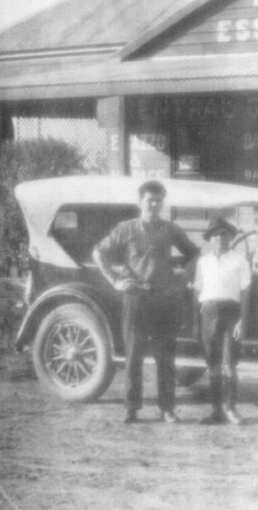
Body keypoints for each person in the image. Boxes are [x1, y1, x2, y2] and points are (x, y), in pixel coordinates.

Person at [93, 179, 199, 424]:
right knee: (133, 354)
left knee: (165, 356)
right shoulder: (126, 228)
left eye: (158, 200)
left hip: (164, 300)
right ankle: (131, 408)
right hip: (136, 298)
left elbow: (194, 255)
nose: (154, 204)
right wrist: (114, 281)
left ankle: (167, 409)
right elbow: (98, 252)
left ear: (163, 202)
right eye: (149, 200)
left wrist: (182, 281)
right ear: (140, 202)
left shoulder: (171, 229)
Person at [190, 217, 252, 426]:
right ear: (210, 238)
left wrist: (242, 320)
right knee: (213, 364)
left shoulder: (240, 260)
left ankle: (231, 408)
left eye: (224, 234)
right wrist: (196, 321)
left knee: (229, 364)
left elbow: (245, 293)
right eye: (216, 234)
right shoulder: (203, 262)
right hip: (208, 312)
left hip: (231, 313)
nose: (220, 238)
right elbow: (198, 290)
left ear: (230, 236)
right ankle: (216, 411)